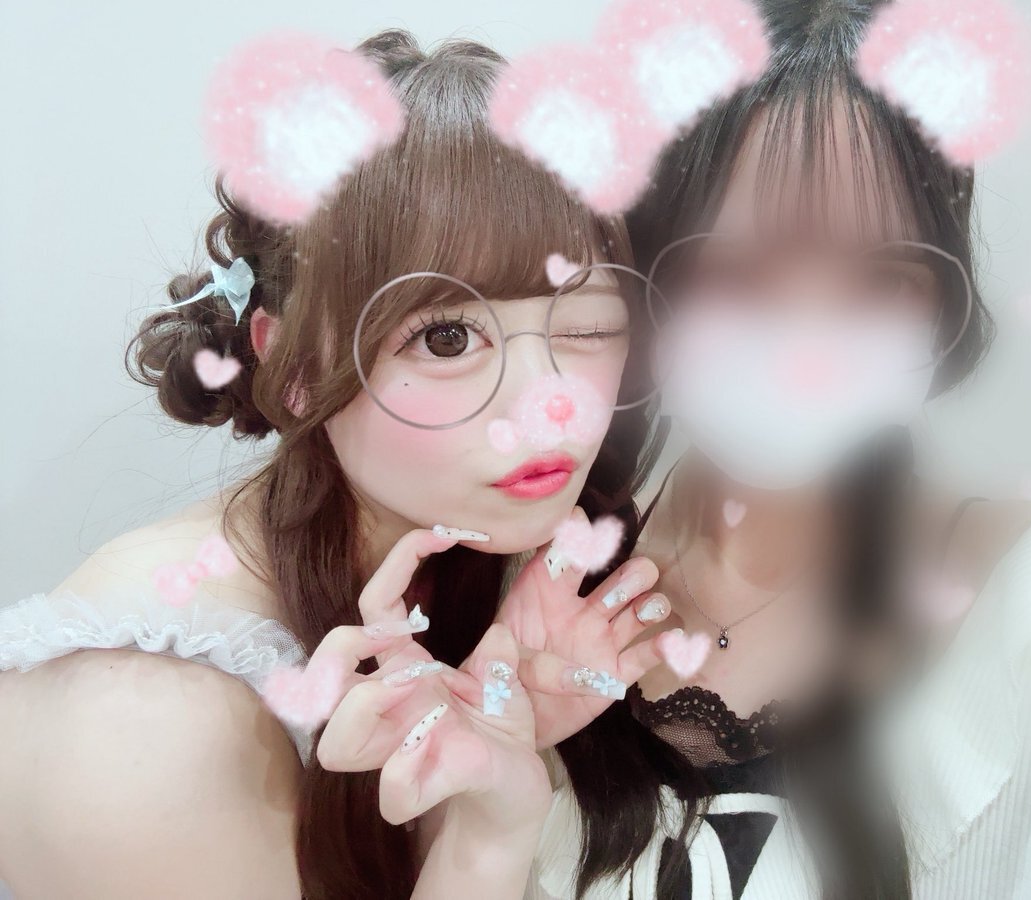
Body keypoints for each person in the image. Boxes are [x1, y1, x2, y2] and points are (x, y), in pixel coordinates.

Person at [321, 3, 1031, 898]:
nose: (805, 346)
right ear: (641, 286)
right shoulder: (523, 603)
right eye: (735, 274)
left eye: (878, 281)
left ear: (943, 302)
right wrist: (485, 834)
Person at [0, 31, 674, 899]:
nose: (552, 404)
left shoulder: (483, 578)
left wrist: (488, 793)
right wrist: (483, 842)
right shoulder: (144, 728)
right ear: (292, 367)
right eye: (447, 338)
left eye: (587, 326)